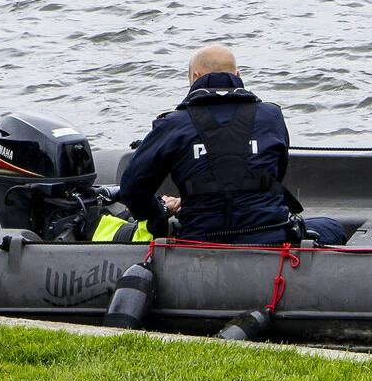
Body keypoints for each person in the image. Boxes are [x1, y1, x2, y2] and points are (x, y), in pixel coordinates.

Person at [116, 45, 346, 246]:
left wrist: (160, 212)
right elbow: (276, 173)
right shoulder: (271, 116)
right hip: (270, 237)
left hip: (200, 240)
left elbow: (132, 190)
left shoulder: (173, 124)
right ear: (238, 74)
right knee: (331, 227)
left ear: (195, 77)